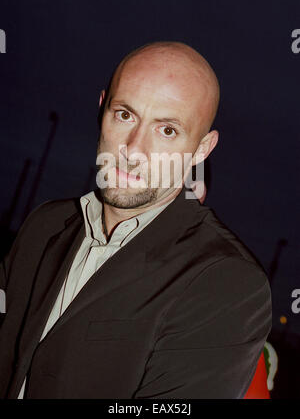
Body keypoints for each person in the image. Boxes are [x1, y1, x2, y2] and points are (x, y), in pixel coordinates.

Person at [0, 41, 272, 399]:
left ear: (202, 149)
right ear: (102, 110)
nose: (133, 149)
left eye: (167, 130)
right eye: (125, 115)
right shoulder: (44, 225)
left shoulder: (227, 283)